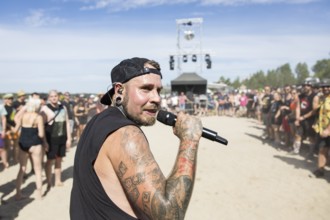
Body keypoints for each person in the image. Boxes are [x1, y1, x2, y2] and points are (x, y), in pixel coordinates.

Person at [70, 57, 203, 220]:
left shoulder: (98, 122)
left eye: (158, 90)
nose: (157, 98)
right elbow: (169, 215)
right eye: (146, 89)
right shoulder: (126, 134)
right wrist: (189, 139)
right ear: (119, 90)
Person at [14, 98, 45, 200]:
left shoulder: (23, 116)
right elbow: (41, 134)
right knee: (38, 169)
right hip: (35, 143)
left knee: (22, 168)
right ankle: (39, 194)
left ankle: (18, 193)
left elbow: (15, 129)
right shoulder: (38, 117)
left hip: (23, 143)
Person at [42, 90, 72, 189]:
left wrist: (69, 138)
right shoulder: (45, 109)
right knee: (50, 160)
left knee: (59, 159)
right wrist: (45, 142)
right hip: (51, 139)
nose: (54, 98)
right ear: (49, 98)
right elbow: (41, 126)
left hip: (62, 138)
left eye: (55, 96)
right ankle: (49, 180)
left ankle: (58, 180)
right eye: (51, 96)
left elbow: (67, 123)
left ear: (58, 97)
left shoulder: (63, 107)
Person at [312, 79, 330, 177]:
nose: (326, 88)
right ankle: (320, 170)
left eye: (328, 86)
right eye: (324, 87)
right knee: (322, 149)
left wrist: (328, 129)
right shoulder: (322, 98)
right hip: (323, 130)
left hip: (328, 130)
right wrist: (316, 123)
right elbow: (319, 113)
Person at [0, 101, 8, 169]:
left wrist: (4, 130)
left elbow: (3, 118)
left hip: (0, 131)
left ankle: (5, 163)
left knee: (2, 148)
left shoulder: (1, 106)